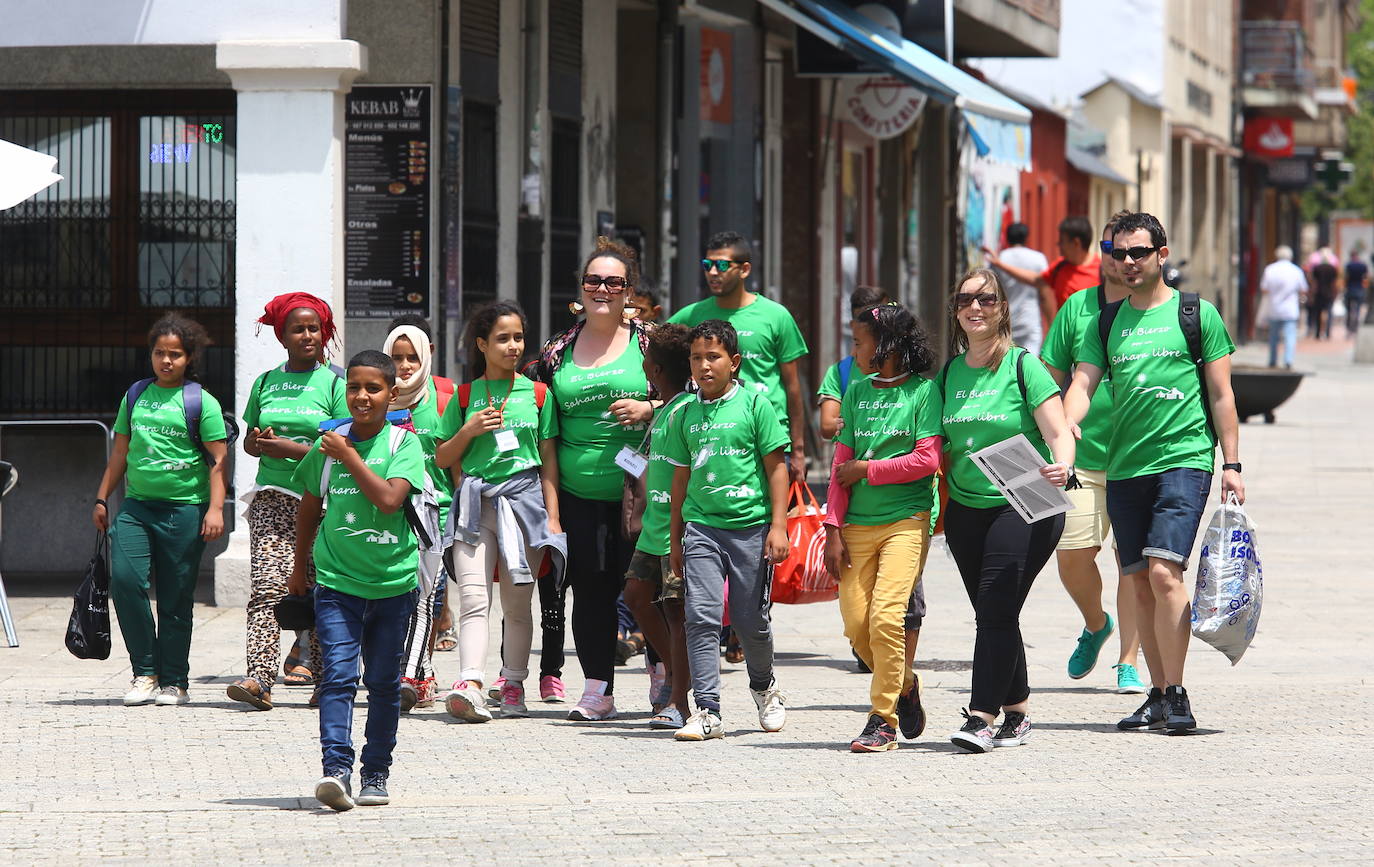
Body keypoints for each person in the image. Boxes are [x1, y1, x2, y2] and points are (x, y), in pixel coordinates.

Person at [1065, 211, 1244, 735]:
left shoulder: (1196, 314)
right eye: (1118, 253)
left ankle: (1179, 691)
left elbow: (1222, 394)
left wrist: (1231, 463)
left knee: (1166, 572)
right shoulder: (1105, 321)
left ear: (1161, 256)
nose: (1127, 262)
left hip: (1184, 459)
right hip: (1125, 466)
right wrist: (1067, 428)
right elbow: (1082, 382)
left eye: (1138, 252)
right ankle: (1158, 693)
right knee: (1137, 578)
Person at [939, 269, 1075, 753]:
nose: (976, 308)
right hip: (966, 509)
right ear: (955, 311)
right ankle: (1018, 711)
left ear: (1002, 308)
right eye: (966, 300)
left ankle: (981, 716)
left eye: (986, 299)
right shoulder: (949, 373)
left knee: (994, 608)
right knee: (995, 611)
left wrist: (1063, 466)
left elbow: (1059, 431)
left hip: (1025, 500)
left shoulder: (1023, 365)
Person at [525, 236, 658, 720]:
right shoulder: (556, 350)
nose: (603, 289)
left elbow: (691, 400)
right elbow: (546, 433)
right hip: (580, 493)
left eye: (614, 282)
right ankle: (598, 688)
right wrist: (552, 510)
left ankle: (662, 679)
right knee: (591, 590)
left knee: (651, 589)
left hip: (643, 492)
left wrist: (649, 407)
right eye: (594, 280)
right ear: (581, 289)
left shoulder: (650, 340)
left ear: (629, 290)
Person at [290, 350, 426, 811]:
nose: (362, 396)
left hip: (393, 587)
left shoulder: (403, 446)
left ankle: (376, 772)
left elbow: (390, 500)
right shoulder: (327, 446)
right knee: (339, 678)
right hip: (337, 584)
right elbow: (310, 505)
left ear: (393, 393)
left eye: (373, 388)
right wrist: (298, 568)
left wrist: (348, 454)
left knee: (385, 684)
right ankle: (336, 770)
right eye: (354, 387)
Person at [436, 300, 564, 721]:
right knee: (473, 596)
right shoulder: (464, 395)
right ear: (481, 344)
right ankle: (470, 681)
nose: (513, 346)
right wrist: (470, 429)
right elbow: (442, 456)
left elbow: (548, 459)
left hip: (526, 505)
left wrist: (553, 517)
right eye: (503, 339)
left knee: (516, 601)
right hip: (475, 505)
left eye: (518, 338)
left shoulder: (540, 395)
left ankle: (512, 683)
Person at [822, 304, 941, 752]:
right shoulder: (855, 391)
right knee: (857, 626)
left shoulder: (924, 394)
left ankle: (882, 720)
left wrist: (868, 469)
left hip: (907, 522)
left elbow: (927, 459)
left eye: (859, 342)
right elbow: (838, 465)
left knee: (887, 617)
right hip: (855, 526)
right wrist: (831, 528)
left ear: (888, 344)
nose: (854, 351)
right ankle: (905, 684)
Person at [94, 313, 228, 707]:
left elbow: (218, 461)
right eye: (159, 353)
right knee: (125, 581)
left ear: (190, 358)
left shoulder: (200, 401)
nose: (166, 361)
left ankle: (174, 681)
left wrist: (216, 509)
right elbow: (120, 451)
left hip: (184, 510)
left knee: (175, 597)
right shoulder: (135, 395)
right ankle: (145, 672)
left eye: (175, 354)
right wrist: (102, 497)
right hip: (136, 508)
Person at [666, 319, 790, 741]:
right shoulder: (684, 412)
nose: (704, 365)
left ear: (734, 362)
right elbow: (679, 480)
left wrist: (778, 526)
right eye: (696, 357)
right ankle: (707, 710)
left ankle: (764, 687)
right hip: (701, 528)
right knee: (699, 616)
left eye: (713, 357)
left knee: (748, 619)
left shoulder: (756, 405)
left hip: (751, 529)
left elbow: (777, 468)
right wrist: (674, 538)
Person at [1039, 213, 1146, 694]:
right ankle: (1096, 623)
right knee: (1072, 555)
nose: (1118, 258)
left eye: (1129, 249)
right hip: (1080, 458)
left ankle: (1128, 659)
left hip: (1138, 457)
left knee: (1133, 562)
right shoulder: (1078, 308)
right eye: (1110, 247)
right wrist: (1055, 429)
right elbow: (1047, 377)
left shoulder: (1157, 312)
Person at [227, 293, 345, 711]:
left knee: (321, 589)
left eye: (314, 328)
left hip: (320, 499)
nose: (308, 335)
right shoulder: (264, 382)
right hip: (272, 499)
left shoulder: (334, 384)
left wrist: (290, 448)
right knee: (266, 588)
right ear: (283, 336)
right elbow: (250, 443)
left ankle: (325, 680)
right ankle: (260, 679)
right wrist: (259, 444)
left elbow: (339, 445)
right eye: (299, 328)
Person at [668, 231, 809, 482]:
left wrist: (798, 450)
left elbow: (793, 387)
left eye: (722, 265)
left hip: (770, 442)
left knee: (772, 519)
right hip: (710, 438)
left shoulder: (776, 316)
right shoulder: (691, 315)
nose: (712, 272)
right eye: (707, 265)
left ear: (744, 269)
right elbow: (657, 349)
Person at [625, 323, 696, 730]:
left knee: (675, 610)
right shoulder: (666, 408)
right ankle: (675, 674)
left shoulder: (685, 410)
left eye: (646, 357)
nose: (643, 362)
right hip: (654, 526)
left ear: (655, 369)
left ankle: (680, 701)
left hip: (676, 529)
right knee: (635, 595)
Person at [383, 319, 457, 712]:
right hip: (388, 517)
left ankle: (408, 676)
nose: (405, 365)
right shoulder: (375, 397)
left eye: (413, 357)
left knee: (425, 598)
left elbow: (457, 463)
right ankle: (422, 675)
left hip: (437, 518)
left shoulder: (445, 397)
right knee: (399, 599)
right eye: (397, 357)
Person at [816, 286, 890, 440]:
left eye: (878, 320)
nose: (872, 328)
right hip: (848, 459)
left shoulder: (901, 369)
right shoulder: (840, 371)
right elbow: (827, 426)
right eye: (864, 321)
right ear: (853, 326)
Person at [984, 216, 1099, 316]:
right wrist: (1000, 264)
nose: (1058, 245)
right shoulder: (1060, 266)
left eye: (1062, 241)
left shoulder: (1101, 271)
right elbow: (1036, 279)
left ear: (1076, 243)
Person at [986, 222, 1052, 353]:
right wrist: (1050, 322)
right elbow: (1044, 293)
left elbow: (992, 291)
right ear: (1027, 238)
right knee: (1030, 363)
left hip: (1005, 319)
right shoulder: (1038, 259)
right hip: (1030, 319)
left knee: (1007, 364)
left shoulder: (999, 259)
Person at [1260, 246, 1307, 369]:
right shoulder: (1296, 270)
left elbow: (1264, 288)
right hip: (1290, 309)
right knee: (1290, 336)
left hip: (1274, 308)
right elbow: (1303, 289)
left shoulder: (1270, 269)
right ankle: (1288, 360)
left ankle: (1272, 360)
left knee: (1273, 337)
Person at [1308, 248, 1339, 340]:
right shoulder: (1332, 269)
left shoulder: (1317, 268)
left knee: (1318, 313)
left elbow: (1314, 282)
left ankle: (1318, 333)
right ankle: (1328, 333)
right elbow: (1334, 283)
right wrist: (1335, 293)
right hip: (1329, 293)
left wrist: (1312, 294)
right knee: (1329, 312)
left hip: (1319, 293)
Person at [1343, 249, 1366, 337]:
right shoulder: (1362, 265)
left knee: (1349, 311)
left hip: (1350, 289)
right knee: (1357, 310)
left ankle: (1349, 329)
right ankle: (1355, 327)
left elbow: (1346, 277)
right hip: (1359, 289)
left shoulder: (1349, 265)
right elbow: (1365, 277)